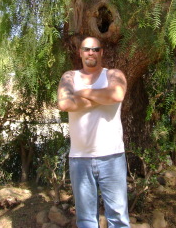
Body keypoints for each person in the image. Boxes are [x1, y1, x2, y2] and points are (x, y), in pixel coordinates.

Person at [57, 36, 130, 228]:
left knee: (118, 218)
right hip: (80, 159)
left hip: (112, 157)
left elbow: (116, 94)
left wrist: (80, 92)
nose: (91, 52)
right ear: (80, 53)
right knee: (86, 220)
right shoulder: (69, 77)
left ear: (101, 52)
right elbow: (64, 103)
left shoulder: (114, 75)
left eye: (96, 49)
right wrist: (101, 96)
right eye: (87, 49)